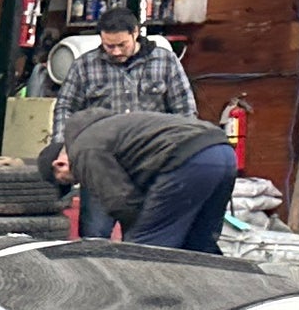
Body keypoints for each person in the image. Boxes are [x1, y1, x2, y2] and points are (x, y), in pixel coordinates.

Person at [54, 108, 238, 252]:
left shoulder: (84, 148)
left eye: (65, 182)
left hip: (187, 159)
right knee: (199, 246)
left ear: (59, 164)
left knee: (145, 253)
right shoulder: (119, 127)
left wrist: (136, 233)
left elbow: (120, 200)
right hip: (224, 151)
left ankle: (148, 300)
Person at [49, 7, 196, 148]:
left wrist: (185, 145)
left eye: (122, 45)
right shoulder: (84, 66)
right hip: (101, 147)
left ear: (135, 33)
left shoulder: (166, 61)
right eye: (109, 46)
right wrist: (61, 147)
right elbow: (65, 109)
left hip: (154, 145)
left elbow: (184, 107)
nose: (116, 52)